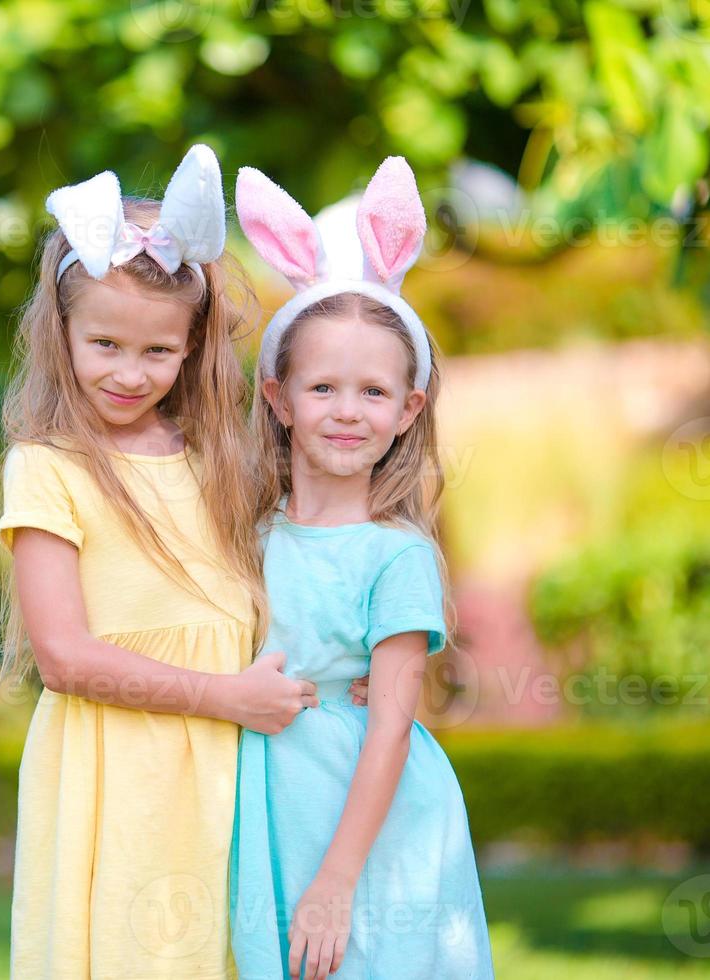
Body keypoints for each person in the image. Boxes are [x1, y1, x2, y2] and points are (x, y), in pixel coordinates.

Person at [0, 143, 323, 979]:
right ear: (59, 330)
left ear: (191, 348)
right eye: (103, 343)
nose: (128, 374)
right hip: (124, 775)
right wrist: (226, 698)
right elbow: (64, 659)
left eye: (156, 352)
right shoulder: (50, 466)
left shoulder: (223, 460)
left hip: (235, 763)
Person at [228, 156, 494, 979]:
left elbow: (391, 722)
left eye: (375, 393)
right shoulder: (243, 532)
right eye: (324, 388)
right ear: (278, 397)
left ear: (409, 408)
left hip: (368, 815)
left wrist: (338, 880)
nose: (348, 411)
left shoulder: (398, 554)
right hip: (273, 789)